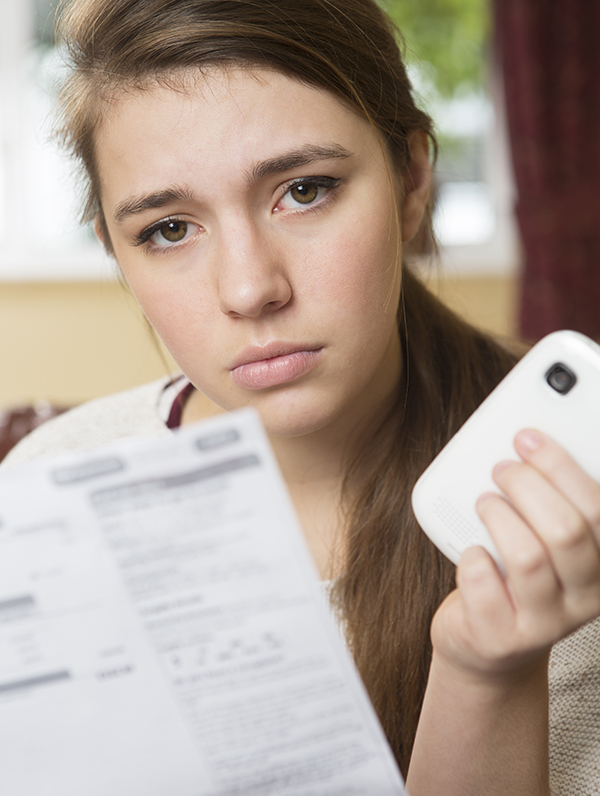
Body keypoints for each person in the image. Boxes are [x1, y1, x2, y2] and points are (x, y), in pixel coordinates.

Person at [5, 0, 600, 793]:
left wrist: (486, 675)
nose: (251, 288)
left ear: (412, 181)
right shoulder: (49, 490)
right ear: (118, 252)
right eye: (169, 230)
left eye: (306, 190)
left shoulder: (576, 486)